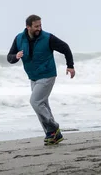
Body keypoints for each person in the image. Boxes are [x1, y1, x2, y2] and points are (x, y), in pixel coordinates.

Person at [7, 14, 75, 145]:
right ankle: (52, 135)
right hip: (33, 77)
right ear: (28, 27)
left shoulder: (47, 38)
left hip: (47, 74)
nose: (39, 28)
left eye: (40, 25)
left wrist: (70, 66)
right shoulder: (19, 38)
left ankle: (54, 127)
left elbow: (65, 47)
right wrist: (16, 56)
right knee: (42, 105)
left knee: (35, 102)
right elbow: (9, 57)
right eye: (36, 26)